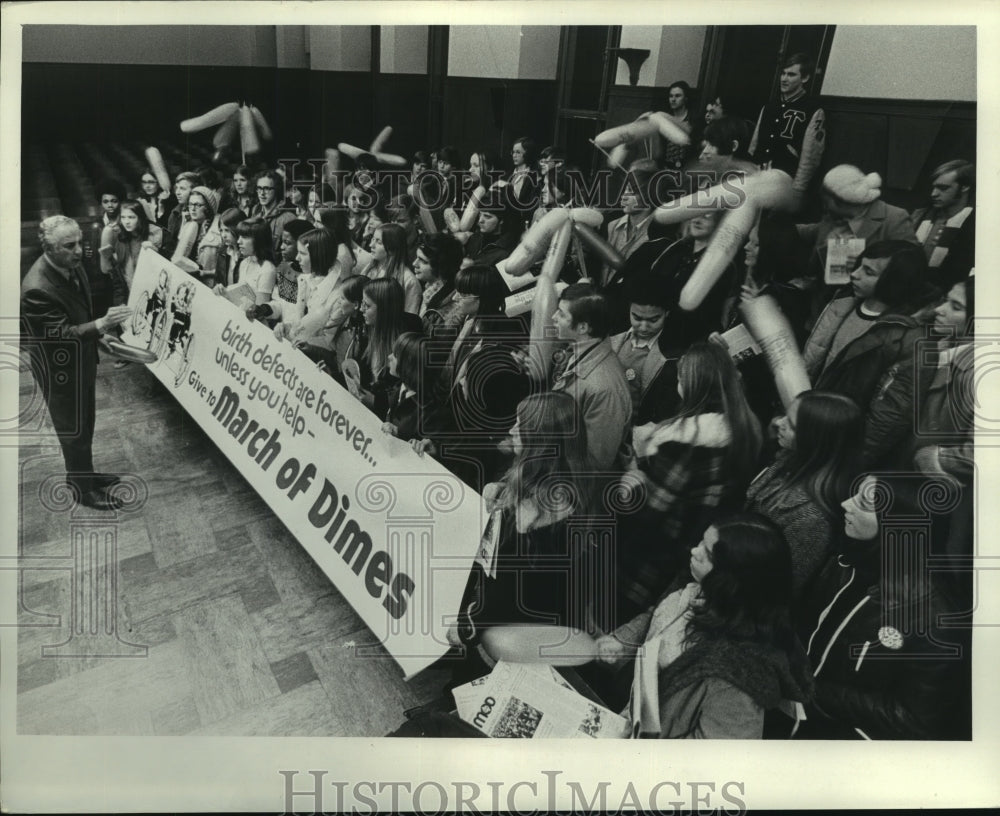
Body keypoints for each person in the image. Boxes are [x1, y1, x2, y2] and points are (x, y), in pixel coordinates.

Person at [596, 514, 813, 738]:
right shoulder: (698, 589)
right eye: (701, 541)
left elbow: (715, 760)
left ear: (733, 578)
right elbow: (659, 616)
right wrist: (620, 642)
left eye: (708, 554)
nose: (694, 551)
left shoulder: (739, 676)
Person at [787, 476, 970, 740]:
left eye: (863, 503)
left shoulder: (935, 617)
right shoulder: (846, 561)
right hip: (800, 718)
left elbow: (914, 719)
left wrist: (813, 693)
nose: (845, 504)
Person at [617, 342, 763, 616]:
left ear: (695, 384)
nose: (677, 382)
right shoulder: (744, 428)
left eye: (681, 377)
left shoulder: (685, 443)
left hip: (650, 559)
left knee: (616, 625)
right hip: (693, 552)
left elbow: (648, 512)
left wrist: (633, 475)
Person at [20, 215, 133, 510]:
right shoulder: (36, 288)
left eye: (80, 242)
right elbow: (61, 335)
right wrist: (102, 325)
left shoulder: (71, 264)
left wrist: (97, 337)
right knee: (73, 429)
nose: (79, 250)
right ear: (49, 249)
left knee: (85, 423)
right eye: (69, 245)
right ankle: (82, 490)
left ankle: (84, 475)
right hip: (59, 369)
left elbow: (77, 315)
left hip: (78, 359)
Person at [802, 240, 938, 466]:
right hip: (810, 420)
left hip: (837, 446)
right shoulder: (842, 301)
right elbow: (817, 358)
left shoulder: (908, 337)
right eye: (858, 266)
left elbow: (890, 415)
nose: (854, 275)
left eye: (868, 272)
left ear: (895, 281)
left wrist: (852, 461)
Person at [745, 391, 864, 594]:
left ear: (814, 439)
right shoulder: (790, 459)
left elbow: (781, 585)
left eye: (791, 424)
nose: (778, 422)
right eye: (785, 415)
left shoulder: (812, 519)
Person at [548, 284, 632, 471]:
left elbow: (594, 464)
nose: (553, 317)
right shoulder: (575, 351)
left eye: (561, 314)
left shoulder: (604, 389)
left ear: (583, 327)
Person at [749, 52, 825, 206]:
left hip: (785, 182)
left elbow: (811, 158)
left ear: (804, 78)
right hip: (758, 176)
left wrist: (798, 191)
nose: (784, 79)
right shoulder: (769, 107)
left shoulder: (813, 110)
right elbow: (754, 145)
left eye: (791, 75)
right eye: (783, 74)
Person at [910, 160, 975, 289]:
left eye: (943, 188)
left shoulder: (975, 225)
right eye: (934, 187)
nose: (933, 194)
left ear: (965, 187)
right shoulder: (920, 215)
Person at [602, 160, 656, 286]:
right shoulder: (612, 225)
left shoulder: (654, 234)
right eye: (625, 190)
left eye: (631, 192)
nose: (624, 196)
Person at [363, 222, 422, 315]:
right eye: (372, 239)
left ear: (392, 248)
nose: (371, 245)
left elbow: (410, 317)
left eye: (378, 242)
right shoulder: (370, 268)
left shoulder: (408, 280)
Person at [415, 232, 464, 333]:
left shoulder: (454, 304)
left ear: (441, 266)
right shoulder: (430, 290)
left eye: (423, 261)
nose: (414, 263)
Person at [251, 169, 296, 249]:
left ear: (277, 189)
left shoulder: (288, 218)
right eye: (259, 188)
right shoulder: (255, 211)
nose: (262, 193)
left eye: (267, 189)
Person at [662, 80, 694, 169]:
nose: (673, 99)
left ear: (686, 98)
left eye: (677, 96)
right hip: (665, 167)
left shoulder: (693, 120)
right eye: (671, 96)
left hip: (686, 168)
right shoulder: (665, 118)